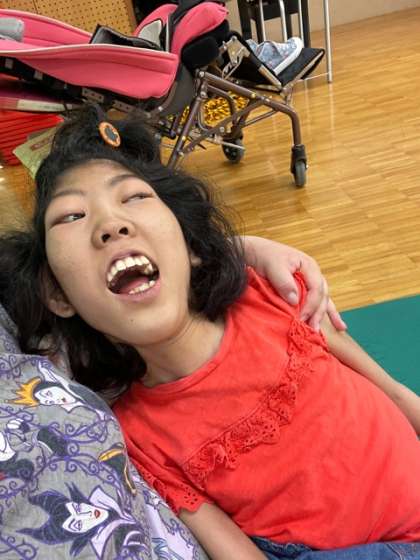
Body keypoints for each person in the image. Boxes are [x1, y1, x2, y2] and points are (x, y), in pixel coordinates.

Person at [1, 105, 420, 560]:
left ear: (192, 247)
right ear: (57, 294)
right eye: (70, 216)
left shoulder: (269, 292)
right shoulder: (136, 434)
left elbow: (392, 392)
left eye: (134, 197)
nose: (110, 225)